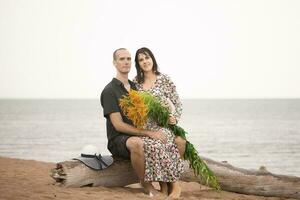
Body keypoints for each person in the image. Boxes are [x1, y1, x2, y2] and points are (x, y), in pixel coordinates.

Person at [100, 48, 168, 196]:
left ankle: (167, 186)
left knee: (164, 139)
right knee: (137, 143)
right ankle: (145, 184)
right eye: (122, 59)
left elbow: (145, 115)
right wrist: (148, 133)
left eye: (129, 59)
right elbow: (118, 125)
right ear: (114, 63)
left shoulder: (136, 87)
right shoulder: (110, 91)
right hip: (118, 139)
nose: (126, 62)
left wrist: (166, 118)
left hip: (138, 134)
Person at [133, 47, 187, 198]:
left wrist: (174, 117)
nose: (145, 62)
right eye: (141, 60)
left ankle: (175, 185)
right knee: (150, 146)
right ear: (138, 64)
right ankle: (163, 186)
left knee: (163, 141)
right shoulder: (136, 82)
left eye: (147, 58)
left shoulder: (164, 79)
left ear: (152, 59)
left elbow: (178, 103)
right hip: (145, 128)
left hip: (162, 126)